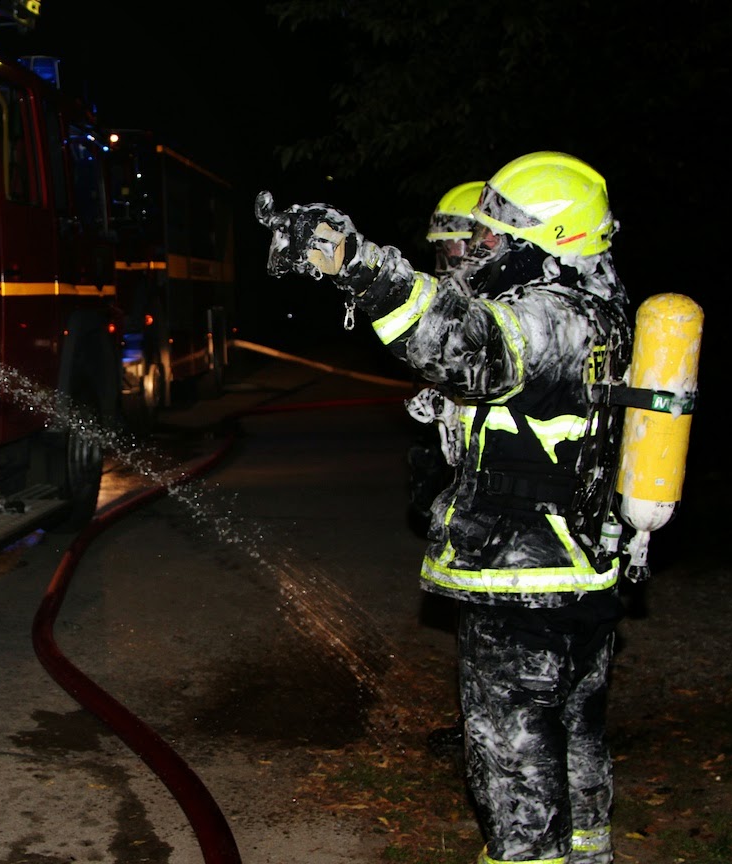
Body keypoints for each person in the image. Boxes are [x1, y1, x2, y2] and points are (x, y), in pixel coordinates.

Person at [257, 151, 632, 864]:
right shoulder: (600, 314)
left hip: (525, 587)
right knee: (574, 742)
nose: (480, 251)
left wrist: (354, 263)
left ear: (548, 241)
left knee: (513, 773)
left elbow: (464, 341)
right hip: (583, 577)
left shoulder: (547, 315)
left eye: (495, 239)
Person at [408, 180, 485, 758]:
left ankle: (490, 733)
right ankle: (478, 723)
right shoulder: (466, 306)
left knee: (502, 632)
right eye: (438, 252)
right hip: (477, 489)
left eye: (451, 250)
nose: (444, 263)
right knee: (474, 623)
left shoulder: (504, 312)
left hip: (521, 509)